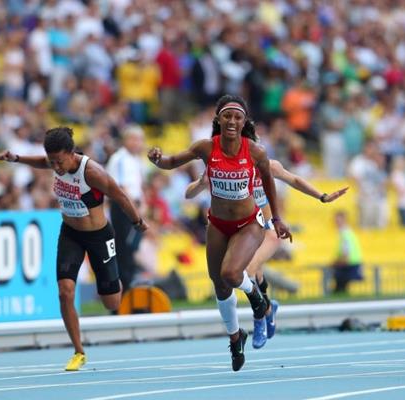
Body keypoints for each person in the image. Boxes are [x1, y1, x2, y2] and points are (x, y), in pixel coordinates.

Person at [147, 94, 292, 371]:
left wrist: (278, 219)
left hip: (249, 224)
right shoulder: (205, 147)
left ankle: (258, 300)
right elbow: (171, 162)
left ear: (244, 122)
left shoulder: (255, 152)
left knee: (231, 274)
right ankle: (236, 337)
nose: (232, 121)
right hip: (217, 225)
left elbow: (270, 185)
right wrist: (157, 159)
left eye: (238, 117)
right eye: (227, 116)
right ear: (218, 120)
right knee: (221, 286)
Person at [0, 126, 148, 371]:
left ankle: (113, 279)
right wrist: (16, 158)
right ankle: (78, 351)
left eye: (58, 162)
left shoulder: (93, 172)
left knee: (111, 302)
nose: (55, 167)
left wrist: (137, 222)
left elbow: (119, 195)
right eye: (52, 162)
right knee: (65, 291)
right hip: (70, 234)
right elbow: (40, 162)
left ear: (71, 153)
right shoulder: (56, 162)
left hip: (99, 236)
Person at [186, 160, 348, 349]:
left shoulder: (266, 165)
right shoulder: (224, 169)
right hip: (243, 232)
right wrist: (200, 183)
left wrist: (322, 196)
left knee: (248, 269)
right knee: (256, 273)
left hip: (268, 229)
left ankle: (260, 318)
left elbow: (293, 179)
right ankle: (269, 308)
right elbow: (188, 194)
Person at [105, 124, 147, 290]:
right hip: (123, 206)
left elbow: (138, 185)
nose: (137, 143)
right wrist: (134, 208)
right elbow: (121, 187)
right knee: (123, 247)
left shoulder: (136, 160)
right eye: (134, 139)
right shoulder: (120, 158)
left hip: (134, 205)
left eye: (140, 140)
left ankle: (129, 284)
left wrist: (142, 204)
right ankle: (123, 288)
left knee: (130, 247)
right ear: (126, 140)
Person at [331, 210, 363, 293]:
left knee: (339, 289)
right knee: (341, 289)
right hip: (351, 264)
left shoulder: (345, 234)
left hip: (349, 265)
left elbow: (346, 253)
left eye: (338, 220)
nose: (336, 223)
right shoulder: (347, 233)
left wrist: (335, 263)